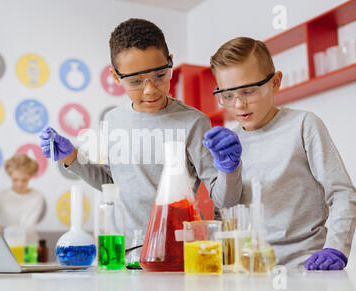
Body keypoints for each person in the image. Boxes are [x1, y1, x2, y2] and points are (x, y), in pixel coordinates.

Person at [39, 18, 243, 245]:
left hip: (175, 253)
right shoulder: (113, 120)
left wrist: (229, 169)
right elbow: (111, 183)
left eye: (160, 75)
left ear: (171, 63)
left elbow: (224, 200)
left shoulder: (192, 122)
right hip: (122, 252)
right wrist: (72, 157)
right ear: (116, 77)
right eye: (135, 81)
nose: (150, 89)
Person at [205, 36, 356, 270]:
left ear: (275, 82)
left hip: (306, 267)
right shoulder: (230, 142)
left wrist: (335, 247)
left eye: (248, 91)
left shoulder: (304, 125)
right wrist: (228, 169)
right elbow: (225, 206)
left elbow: (342, 193)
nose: (238, 105)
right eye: (227, 95)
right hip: (251, 269)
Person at [0, 154, 44, 242]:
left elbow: (28, 225)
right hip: (6, 243)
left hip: (29, 245)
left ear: (30, 177)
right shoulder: (1, 195)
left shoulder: (36, 196)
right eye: (15, 180)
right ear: (10, 176)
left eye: (24, 180)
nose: (19, 184)